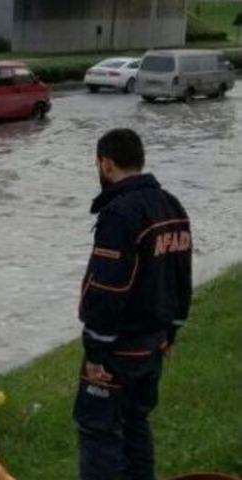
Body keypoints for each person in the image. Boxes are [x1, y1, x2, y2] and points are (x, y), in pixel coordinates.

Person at [75, 129, 192, 480]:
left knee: (99, 430)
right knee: (136, 422)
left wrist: (95, 351)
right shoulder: (171, 204)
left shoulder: (120, 214)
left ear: (105, 163)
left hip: (118, 350)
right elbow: (181, 276)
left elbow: (107, 289)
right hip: (153, 343)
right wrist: (171, 330)